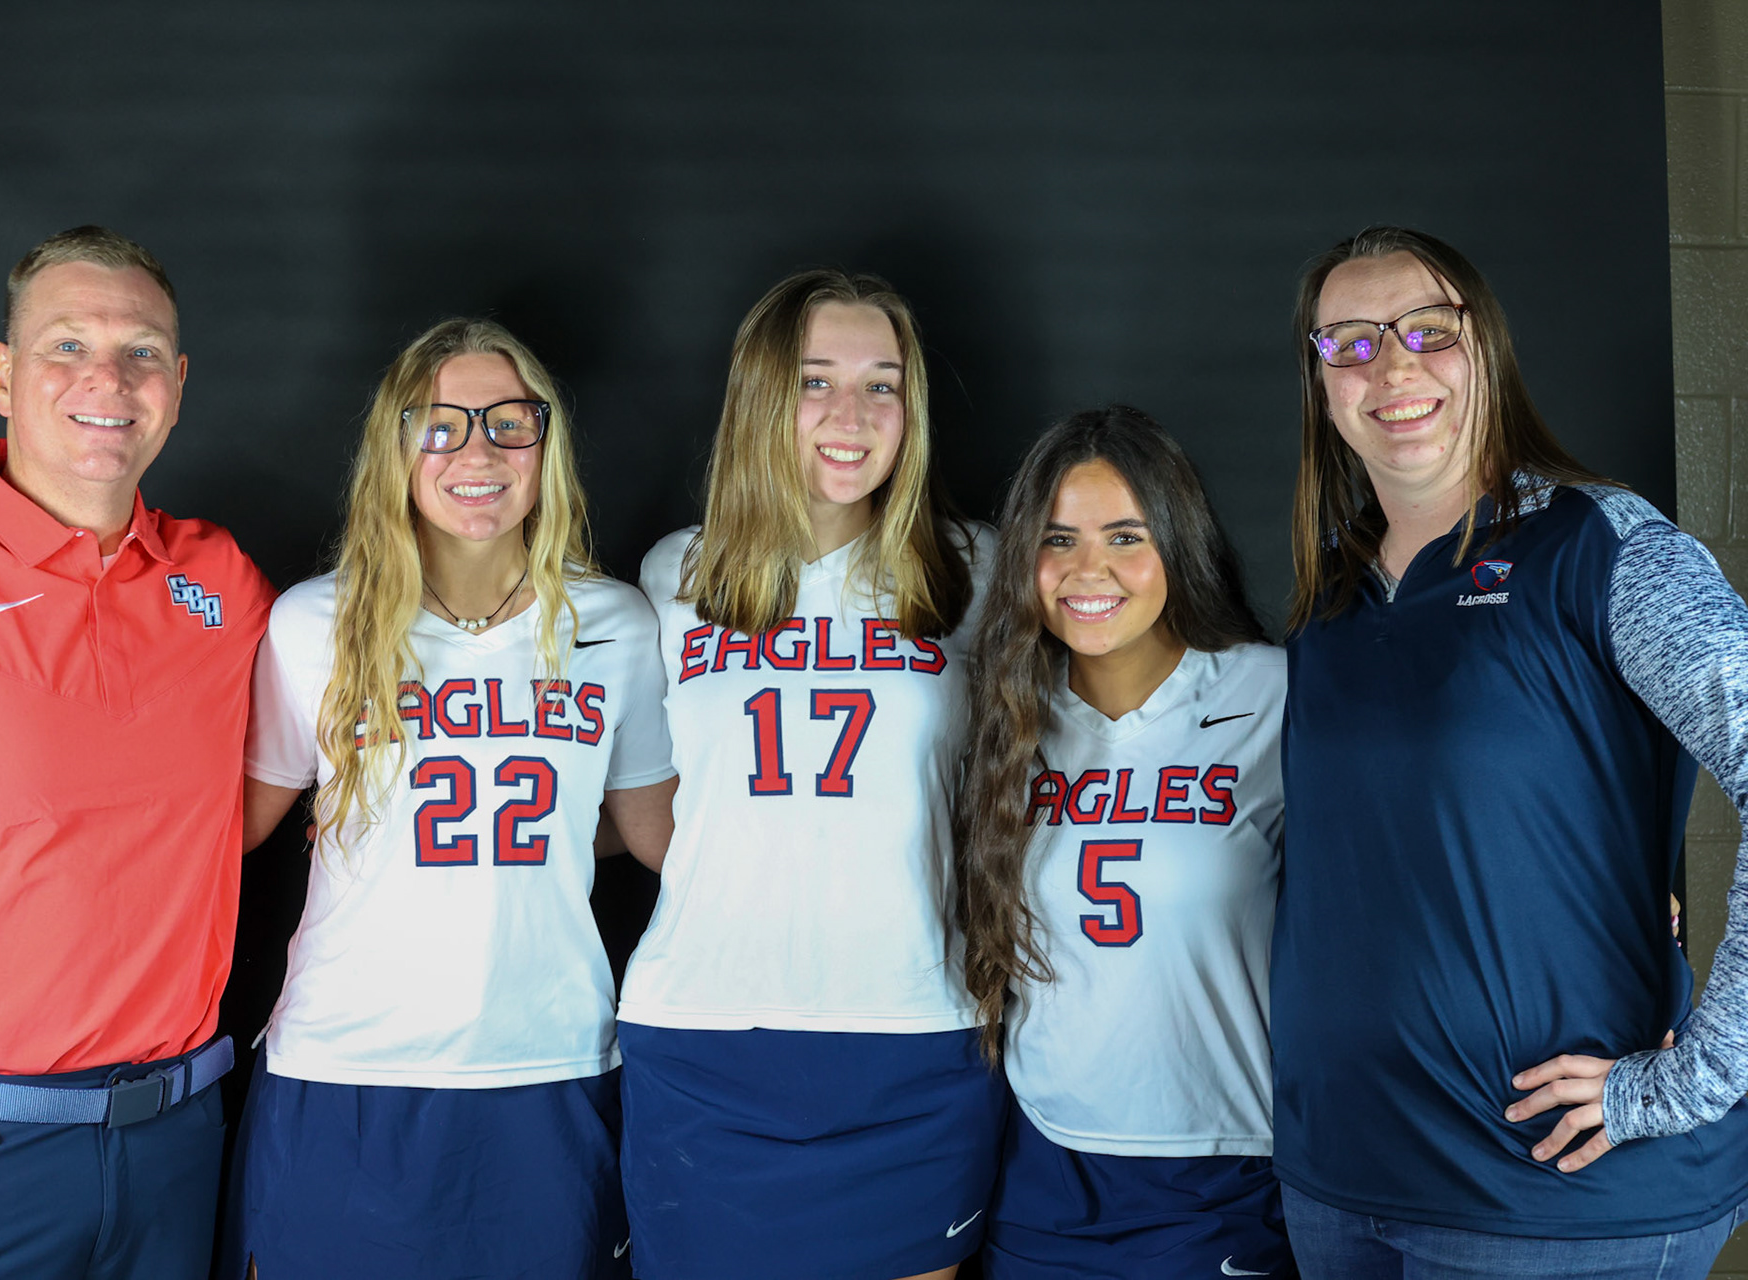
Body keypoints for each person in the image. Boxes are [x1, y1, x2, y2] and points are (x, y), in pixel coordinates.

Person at [1274, 225, 1748, 1278]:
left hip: (1553, 1196)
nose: (1391, 367)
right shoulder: (1332, 595)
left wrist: (1699, 1077)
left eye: (1428, 330)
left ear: (1485, 345)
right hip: (1341, 1180)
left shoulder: (1598, 546)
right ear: (1321, 384)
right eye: (1350, 343)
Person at [0, 226, 273, 1277]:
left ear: (178, 384)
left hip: (176, 1140)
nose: (106, 379)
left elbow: (246, 806)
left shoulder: (223, 584)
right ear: (2, 374)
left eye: (141, 351)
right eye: (66, 345)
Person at [227, 318, 677, 1279]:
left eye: (509, 422)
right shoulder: (315, 622)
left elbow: (650, 830)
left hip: (547, 1056)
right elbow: (229, 828)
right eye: (440, 425)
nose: (478, 452)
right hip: (346, 1063)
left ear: (546, 444)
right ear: (395, 447)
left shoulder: (615, 625)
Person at [618, 268, 1007, 1280]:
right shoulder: (676, 572)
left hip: (914, 1029)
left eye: (883, 385)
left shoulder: (974, 570)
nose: (853, 414)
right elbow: (647, 800)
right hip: (705, 1031)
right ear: (760, 396)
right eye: (815, 381)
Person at [956, 408, 1292, 1280]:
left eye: (1125, 536)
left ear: (1178, 542)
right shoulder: (1000, 715)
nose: (1088, 570)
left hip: (1227, 1159)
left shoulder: (1273, 694)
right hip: (1045, 1164)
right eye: (1058, 539)